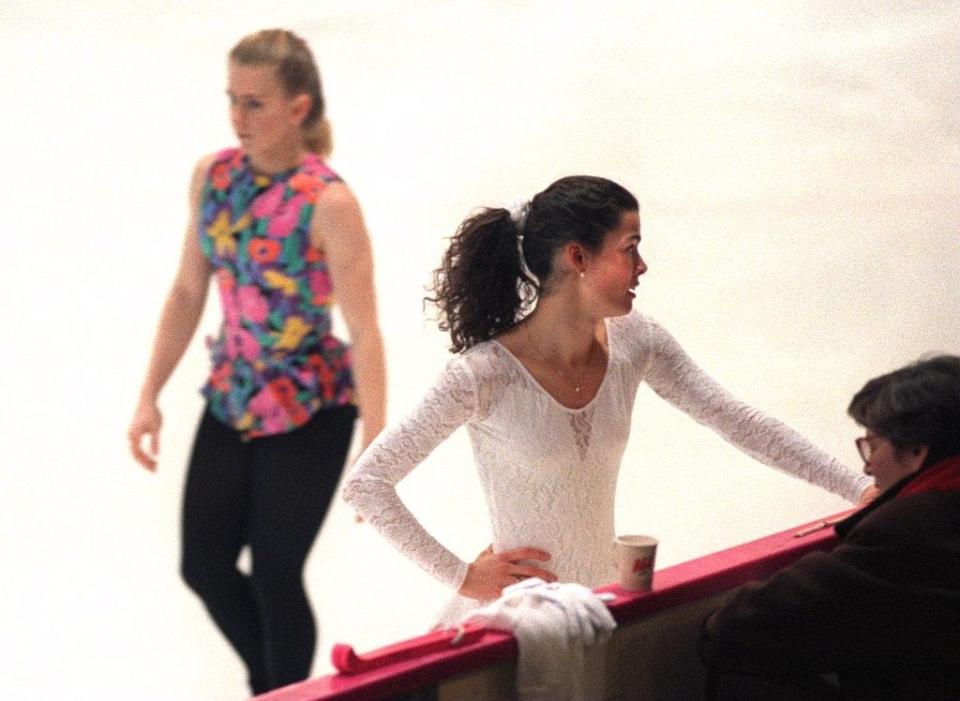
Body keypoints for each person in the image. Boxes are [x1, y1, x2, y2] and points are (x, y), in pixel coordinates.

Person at [343, 175, 870, 626]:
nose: (642, 266)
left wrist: (860, 488)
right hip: (518, 622)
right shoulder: (483, 375)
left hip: (601, 608)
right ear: (578, 257)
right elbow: (367, 484)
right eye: (630, 247)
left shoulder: (639, 342)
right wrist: (463, 577)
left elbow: (739, 422)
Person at [126, 29, 386, 695]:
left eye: (256, 104)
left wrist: (377, 442)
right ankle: (271, 684)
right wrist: (148, 393)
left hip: (312, 407)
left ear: (299, 108)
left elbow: (363, 330)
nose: (238, 118)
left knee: (275, 570)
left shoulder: (329, 202)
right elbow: (189, 289)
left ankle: (278, 690)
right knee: (204, 565)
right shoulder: (213, 177)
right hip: (233, 395)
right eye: (233, 101)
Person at [699, 355, 960, 700]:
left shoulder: (909, 532)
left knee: (741, 679)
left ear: (916, 451)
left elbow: (732, 629)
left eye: (873, 444)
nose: (867, 467)